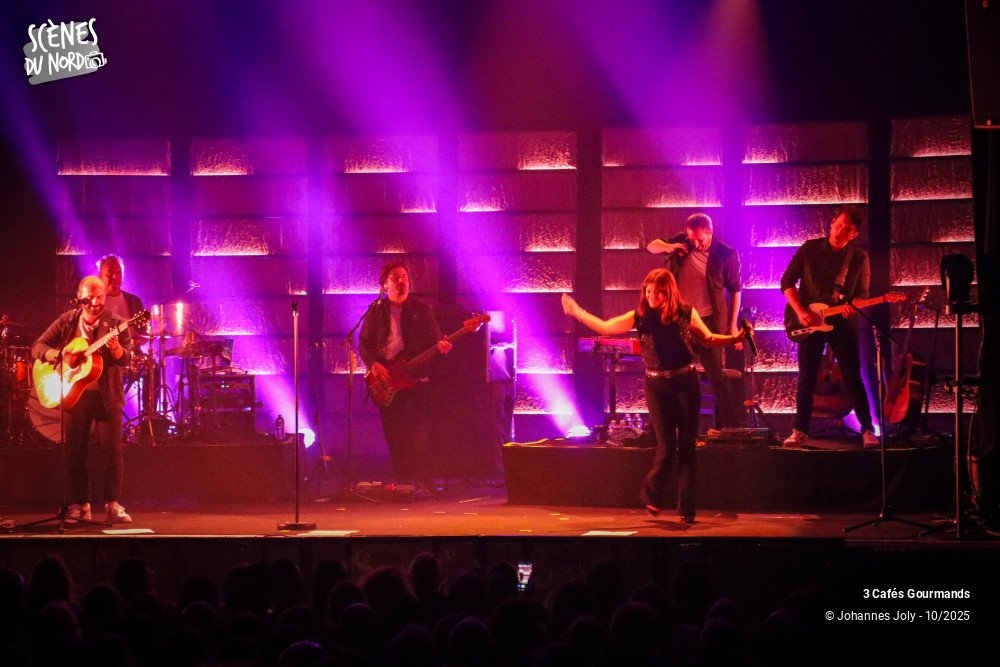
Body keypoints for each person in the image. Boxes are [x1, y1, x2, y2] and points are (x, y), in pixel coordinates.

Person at [562, 268, 746, 523]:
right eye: (647, 292)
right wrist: (577, 312)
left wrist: (735, 337)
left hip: (685, 382)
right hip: (657, 386)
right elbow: (606, 327)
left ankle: (687, 510)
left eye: (656, 293)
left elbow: (709, 338)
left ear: (667, 293)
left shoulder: (685, 313)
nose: (651, 296)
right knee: (667, 445)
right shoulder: (640, 316)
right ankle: (653, 495)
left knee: (687, 448)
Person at [32, 276, 133, 523]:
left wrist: (116, 349)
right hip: (75, 395)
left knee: (112, 452)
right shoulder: (67, 322)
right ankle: (79, 504)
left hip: (107, 395)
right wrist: (60, 354)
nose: (96, 303)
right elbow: (38, 347)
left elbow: (127, 357)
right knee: (75, 451)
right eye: (91, 298)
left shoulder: (117, 324)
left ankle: (112, 504)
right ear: (80, 296)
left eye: (100, 297)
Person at [780, 206, 878, 448]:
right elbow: (786, 281)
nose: (841, 230)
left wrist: (853, 306)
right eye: (840, 224)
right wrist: (801, 312)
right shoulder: (810, 248)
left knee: (853, 376)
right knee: (807, 376)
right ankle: (800, 429)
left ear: (854, 235)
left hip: (842, 322)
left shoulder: (858, 259)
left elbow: (861, 293)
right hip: (810, 320)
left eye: (848, 229)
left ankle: (867, 429)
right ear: (833, 222)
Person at [358, 262, 452, 487]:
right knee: (394, 434)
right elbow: (364, 344)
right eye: (395, 277)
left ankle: (421, 482)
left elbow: (436, 343)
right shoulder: (376, 311)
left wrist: (443, 348)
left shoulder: (421, 310)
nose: (402, 281)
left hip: (416, 380)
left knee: (418, 433)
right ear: (385, 284)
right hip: (387, 379)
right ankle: (403, 482)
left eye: (404, 277)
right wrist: (373, 364)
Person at [647, 213, 743, 428]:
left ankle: (733, 426)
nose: (696, 243)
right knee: (669, 372)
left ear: (710, 232)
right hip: (680, 320)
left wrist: (733, 325)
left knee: (715, 375)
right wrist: (671, 247)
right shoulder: (683, 244)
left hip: (708, 320)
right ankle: (659, 426)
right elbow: (652, 246)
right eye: (692, 238)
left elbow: (736, 290)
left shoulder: (726, 254)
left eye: (700, 239)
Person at [97, 254, 146, 346]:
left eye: (118, 273)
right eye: (109, 273)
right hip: (100, 357)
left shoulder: (134, 301)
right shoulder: (94, 303)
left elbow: (145, 336)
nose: (114, 277)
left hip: (128, 356)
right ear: (100, 276)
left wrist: (132, 342)